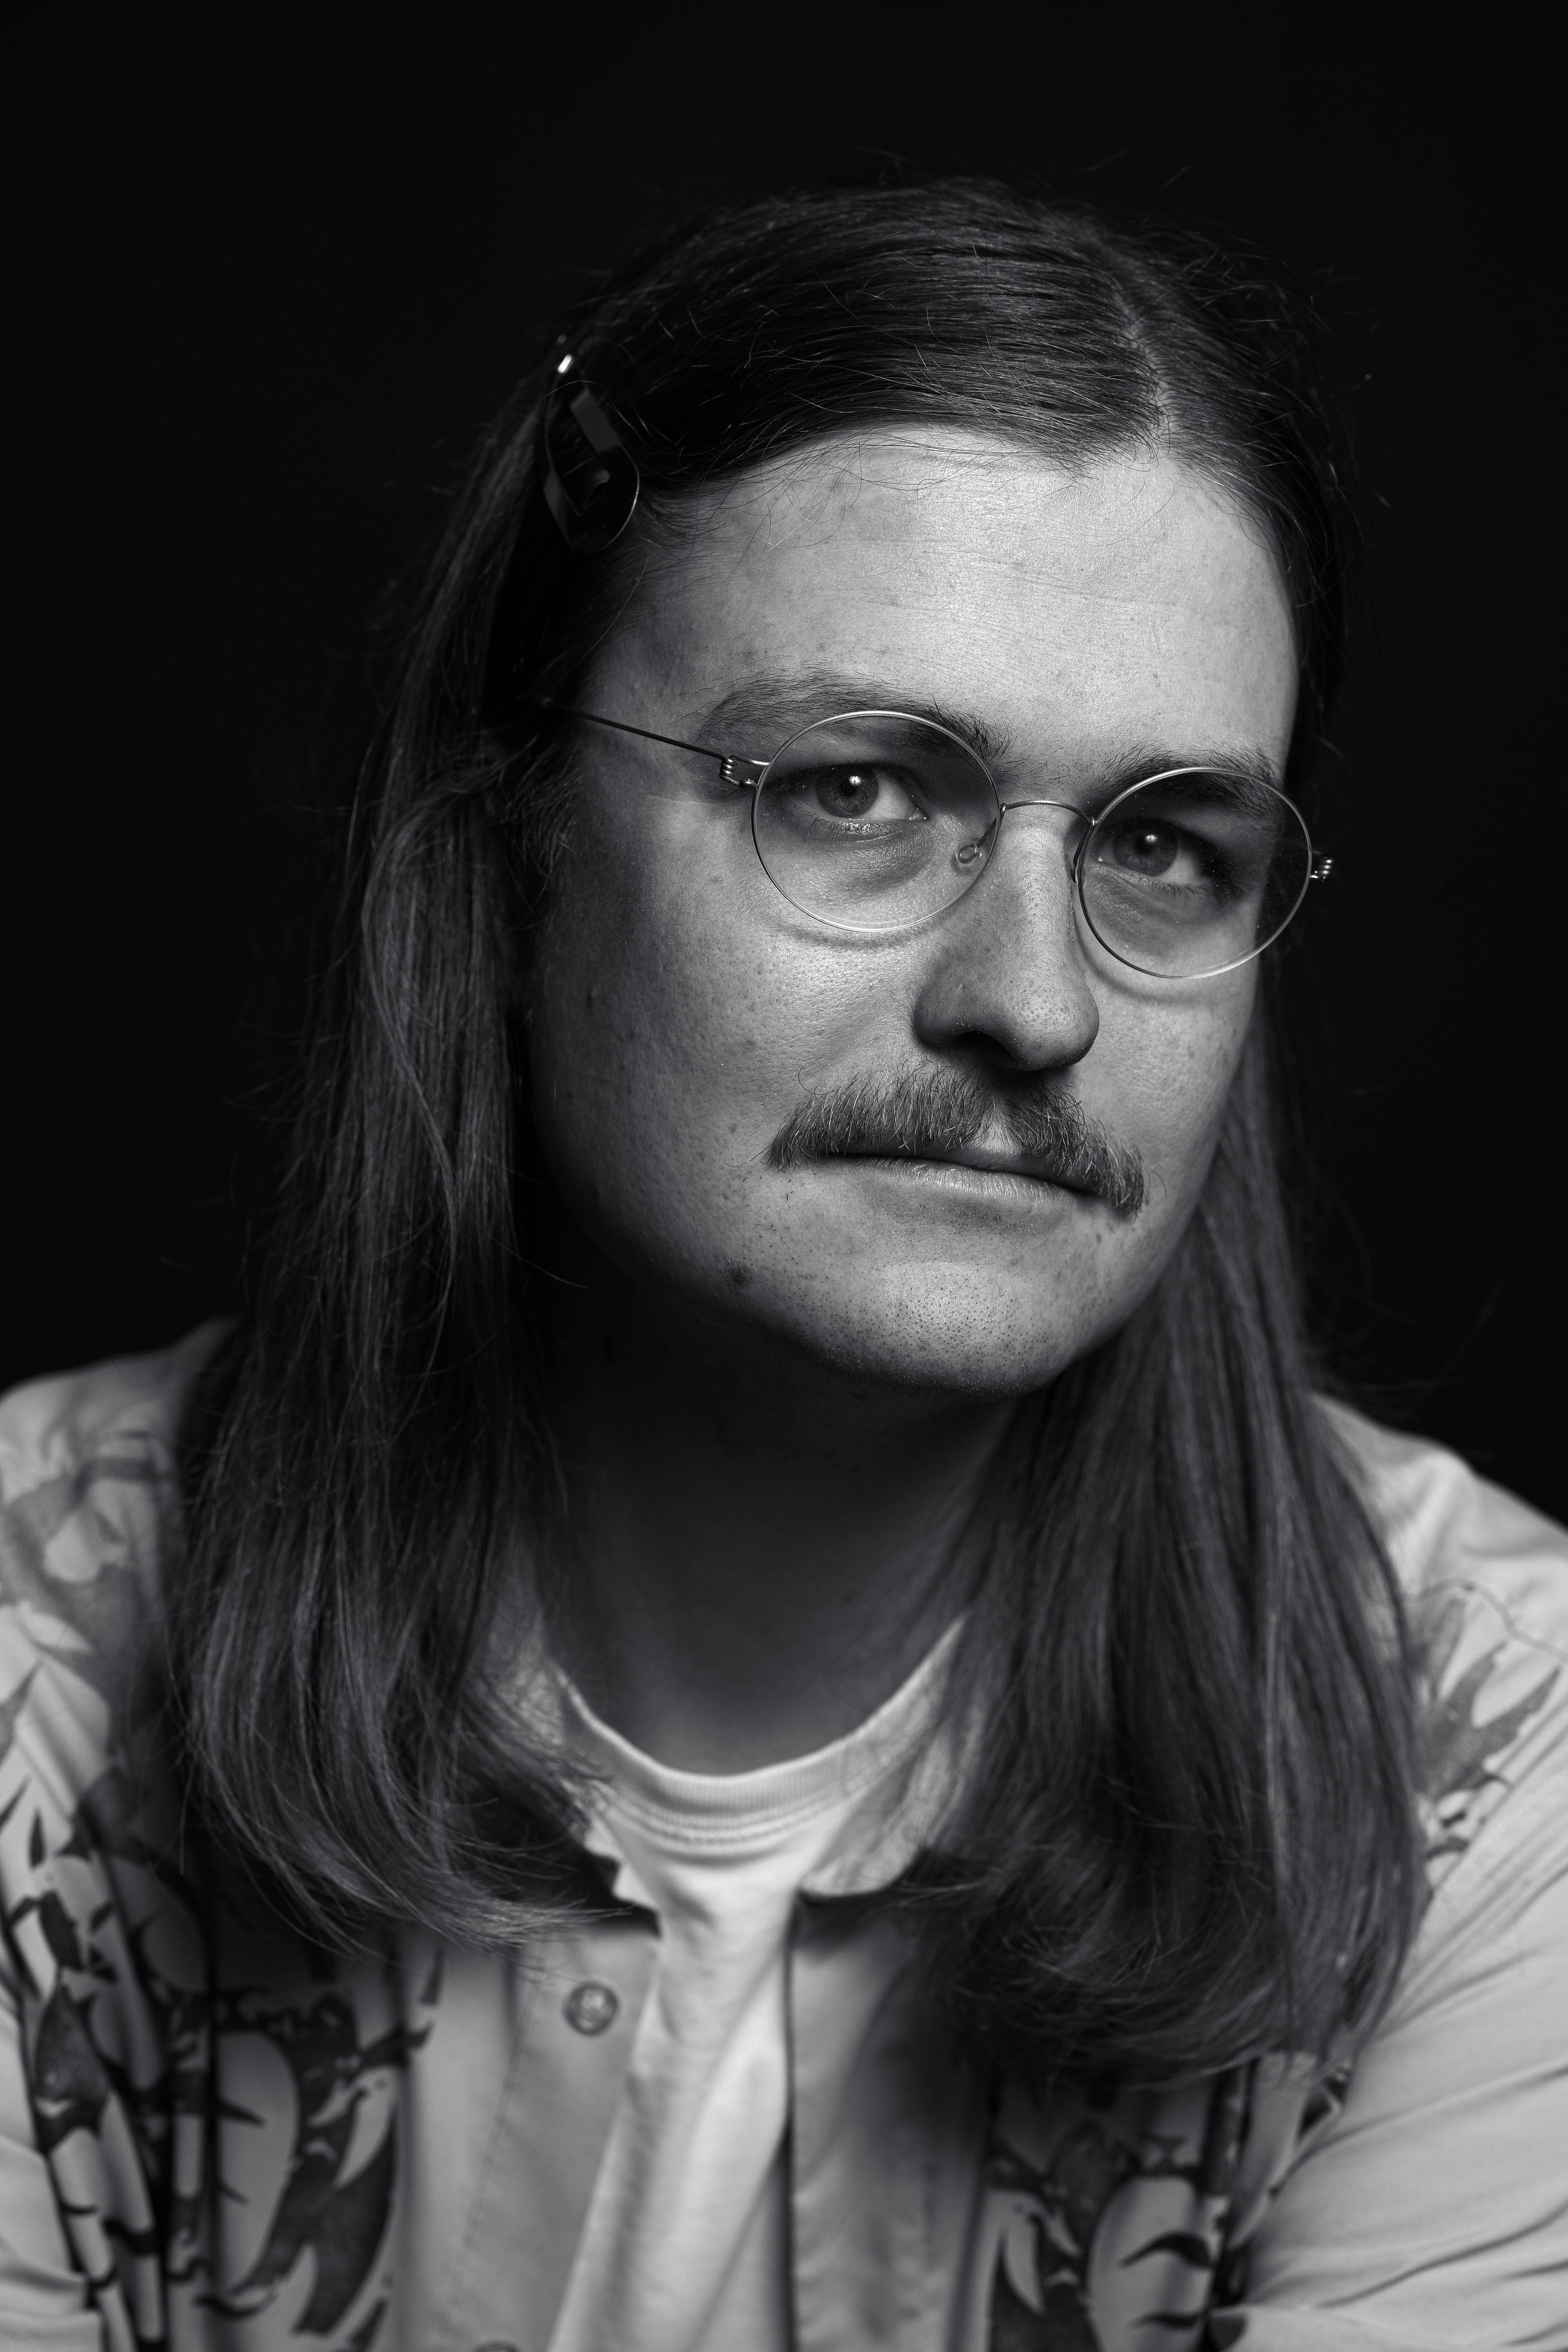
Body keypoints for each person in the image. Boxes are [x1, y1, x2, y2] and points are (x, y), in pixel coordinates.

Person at [1, 180, 1564, 2352]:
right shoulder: (32, 1690)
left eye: (1161, 848)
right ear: (503, 833)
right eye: (853, 788)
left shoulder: (1501, 1771)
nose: (1036, 1005)